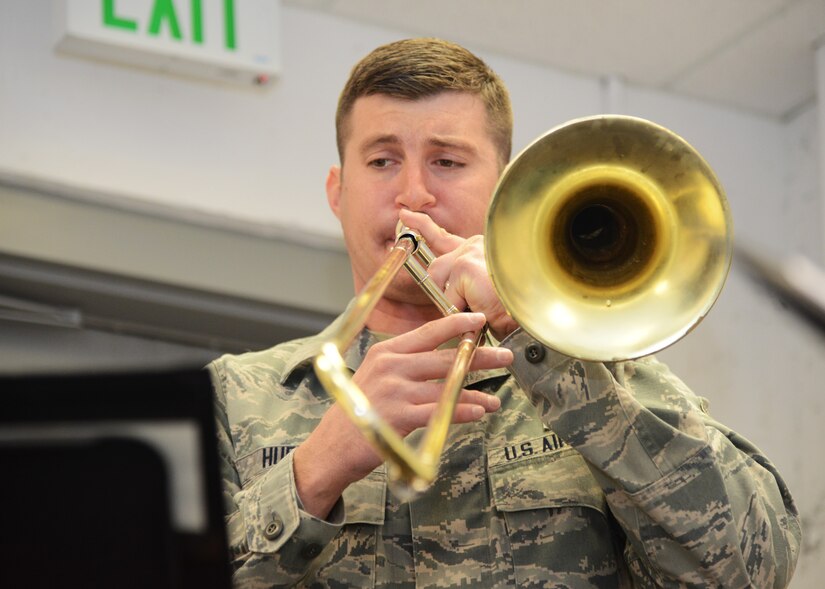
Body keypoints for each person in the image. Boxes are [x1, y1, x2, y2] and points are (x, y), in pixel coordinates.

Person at [209, 38, 801, 588]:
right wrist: (317, 469)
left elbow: (755, 567)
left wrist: (544, 348)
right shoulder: (234, 397)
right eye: (383, 160)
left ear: (504, 193)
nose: (414, 193)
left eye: (447, 161)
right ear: (338, 191)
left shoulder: (604, 377)